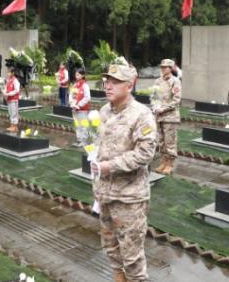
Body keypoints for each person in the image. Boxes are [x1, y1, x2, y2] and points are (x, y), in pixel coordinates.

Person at [91, 61, 156, 282]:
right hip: (105, 193)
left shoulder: (141, 114)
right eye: (107, 81)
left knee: (132, 257)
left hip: (129, 198)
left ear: (129, 85)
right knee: (111, 247)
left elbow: (145, 153)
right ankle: (119, 277)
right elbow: (100, 147)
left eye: (115, 82)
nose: (108, 85)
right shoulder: (104, 111)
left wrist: (111, 166)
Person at [152, 59, 181, 175]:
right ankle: (163, 162)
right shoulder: (157, 81)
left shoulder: (175, 81)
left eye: (165, 67)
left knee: (170, 142)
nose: (163, 69)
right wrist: (154, 107)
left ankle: (170, 164)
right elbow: (154, 96)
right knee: (161, 141)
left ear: (171, 68)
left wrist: (163, 109)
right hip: (159, 116)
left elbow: (176, 100)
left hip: (170, 116)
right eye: (162, 67)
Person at [70, 68, 91, 147]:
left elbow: (87, 97)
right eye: (76, 75)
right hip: (75, 109)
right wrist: (72, 103)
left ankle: (84, 140)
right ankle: (79, 139)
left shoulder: (85, 86)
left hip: (82, 109)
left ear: (82, 75)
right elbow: (71, 95)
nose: (76, 76)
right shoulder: (75, 85)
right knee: (77, 125)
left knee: (83, 125)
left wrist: (79, 105)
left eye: (78, 75)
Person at [4, 68, 21, 133]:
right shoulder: (8, 80)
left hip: (14, 99)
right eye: (7, 72)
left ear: (13, 73)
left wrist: (9, 94)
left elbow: (17, 90)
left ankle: (15, 126)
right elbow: (6, 88)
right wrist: (5, 93)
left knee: (14, 113)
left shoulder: (15, 81)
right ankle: (12, 126)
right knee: (10, 112)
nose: (8, 73)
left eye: (9, 72)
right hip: (9, 99)